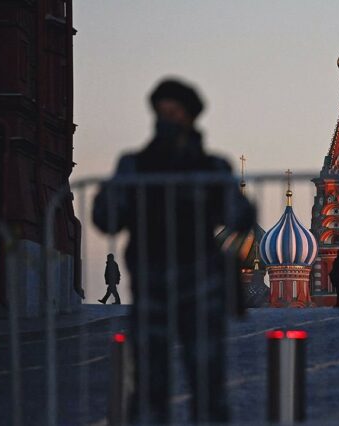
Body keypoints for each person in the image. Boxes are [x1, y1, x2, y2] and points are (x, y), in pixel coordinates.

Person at [92, 78, 256, 423]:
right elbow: (106, 218)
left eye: (174, 112)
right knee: (150, 382)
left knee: (207, 380)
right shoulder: (134, 165)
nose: (166, 119)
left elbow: (239, 215)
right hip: (151, 285)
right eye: (161, 112)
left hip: (201, 286)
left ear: (189, 116)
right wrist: (112, 196)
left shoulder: (212, 168)